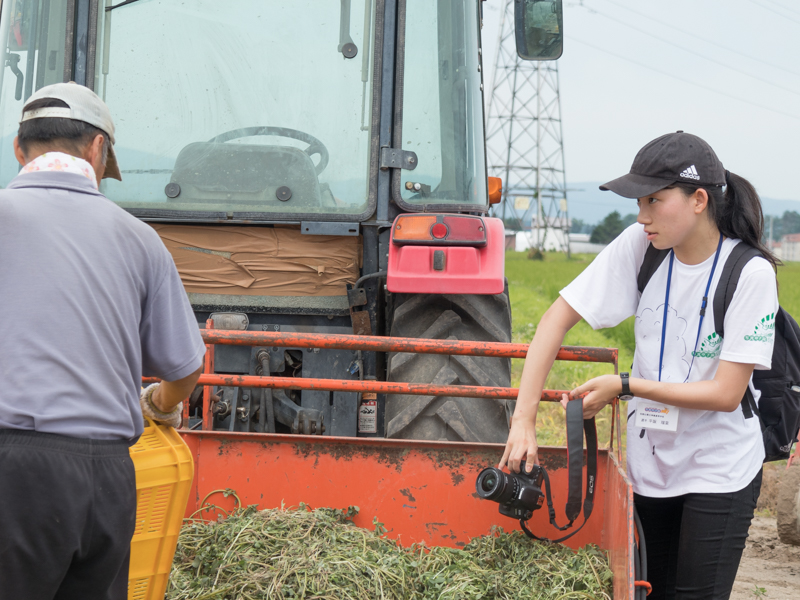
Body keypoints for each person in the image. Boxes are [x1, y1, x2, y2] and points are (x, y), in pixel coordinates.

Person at [499, 131, 778, 600]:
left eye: (654, 200)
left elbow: (726, 394)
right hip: (651, 464)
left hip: (721, 466)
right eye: (638, 202)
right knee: (646, 592)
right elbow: (554, 319)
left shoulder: (749, 273)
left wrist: (626, 384)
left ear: (699, 200)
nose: (642, 216)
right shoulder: (640, 246)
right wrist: (523, 419)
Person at [0, 83, 206, 599]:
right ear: (98, 150)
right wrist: (159, 404)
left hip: (14, 471)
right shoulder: (138, 237)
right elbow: (186, 368)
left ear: (19, 150)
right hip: (108, 479)